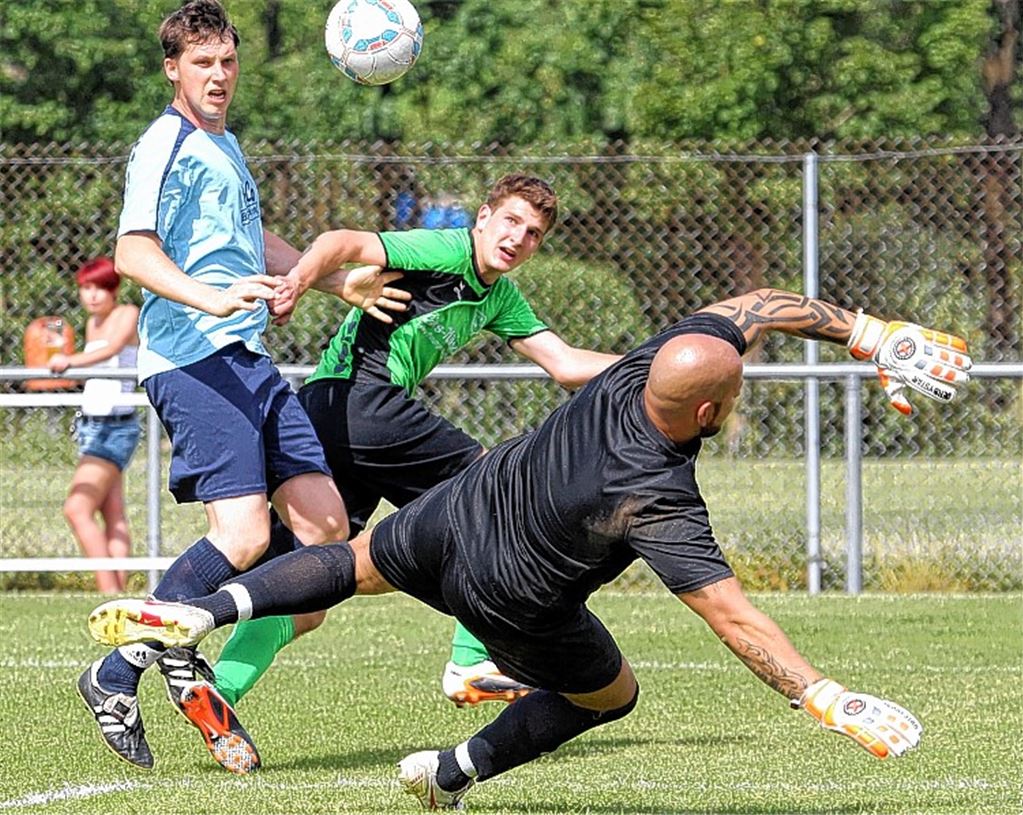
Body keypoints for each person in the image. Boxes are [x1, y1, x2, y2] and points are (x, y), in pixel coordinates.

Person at [87, 288, 972, 808]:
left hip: (455, 512)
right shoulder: (659, 495)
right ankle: (453, 770)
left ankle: (197, 609)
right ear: (709, 413)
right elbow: (731, 615)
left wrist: (868, 333)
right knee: (609, 692)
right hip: (510, 593)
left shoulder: (644, 361)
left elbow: (756, 307)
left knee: (354, 563)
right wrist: (825, 695)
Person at [75, 0, 406, 776]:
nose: (219, 75)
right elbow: (131, 250)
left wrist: (324, 281)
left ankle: (176, 648)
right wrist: (205, 295)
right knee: (246, 535)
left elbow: (250, 241)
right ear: (172, 69)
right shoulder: (166, 141)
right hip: (193, 357)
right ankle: (119, 671)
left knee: (327, 531)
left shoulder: (222, 142)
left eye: (227, 61)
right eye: (202, 62)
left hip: (248, 358)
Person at [193, 173, 622, 767]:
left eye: (534, 233)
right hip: (355, 398)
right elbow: (342, 240)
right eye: (511, 222)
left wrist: (661, 362)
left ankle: (214, 688)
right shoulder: (444, 250)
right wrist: (298, 280)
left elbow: (567, 363)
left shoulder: (499, 297)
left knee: (308, 592)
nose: (519, 238)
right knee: (487, 487)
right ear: (482, 217)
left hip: (344, 417)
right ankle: (470, 660)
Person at [48, 257, 141, 594]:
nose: (92, 296)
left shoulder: (126, 314)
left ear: (114, 289)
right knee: (112, 513)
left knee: (77, 508)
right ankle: (120, 595)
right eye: (86, 288)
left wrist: (68, 361)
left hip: (113, 428)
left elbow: (113, 350)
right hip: (91, 426)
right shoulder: (91, 323)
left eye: (100, 287)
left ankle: (109, 595)